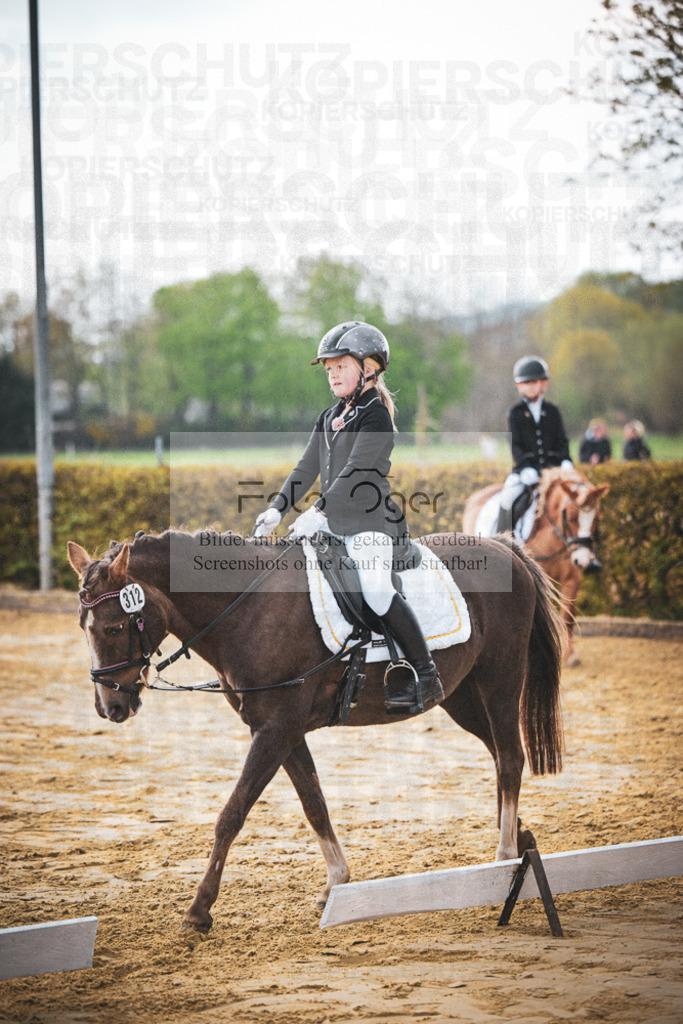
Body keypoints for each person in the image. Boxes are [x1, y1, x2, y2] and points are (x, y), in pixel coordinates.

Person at [253, 321, 444, 715]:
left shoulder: (375, 417)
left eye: (340, 366)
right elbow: (306, 468)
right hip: (330, 525)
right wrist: (277, 507)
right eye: (328, 369)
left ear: (369, 368)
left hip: (369, 523)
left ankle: (426, 674)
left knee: (375, 591)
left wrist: (318, 511)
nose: (332, 375)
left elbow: (355, 472)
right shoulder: (329, 416)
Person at [495, 355, 574, 534]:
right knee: (507, 499)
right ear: (519, 386)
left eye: (534, 382)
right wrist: (525, 468)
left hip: (553, 471)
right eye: (526, 383)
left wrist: (566, 460)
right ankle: (501, 544)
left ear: (543, 384)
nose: (530, 386)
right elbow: (515, 446)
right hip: (525, 473)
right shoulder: (515, 413)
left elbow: (562, 440)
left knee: (581, 501)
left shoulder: (553, 411)